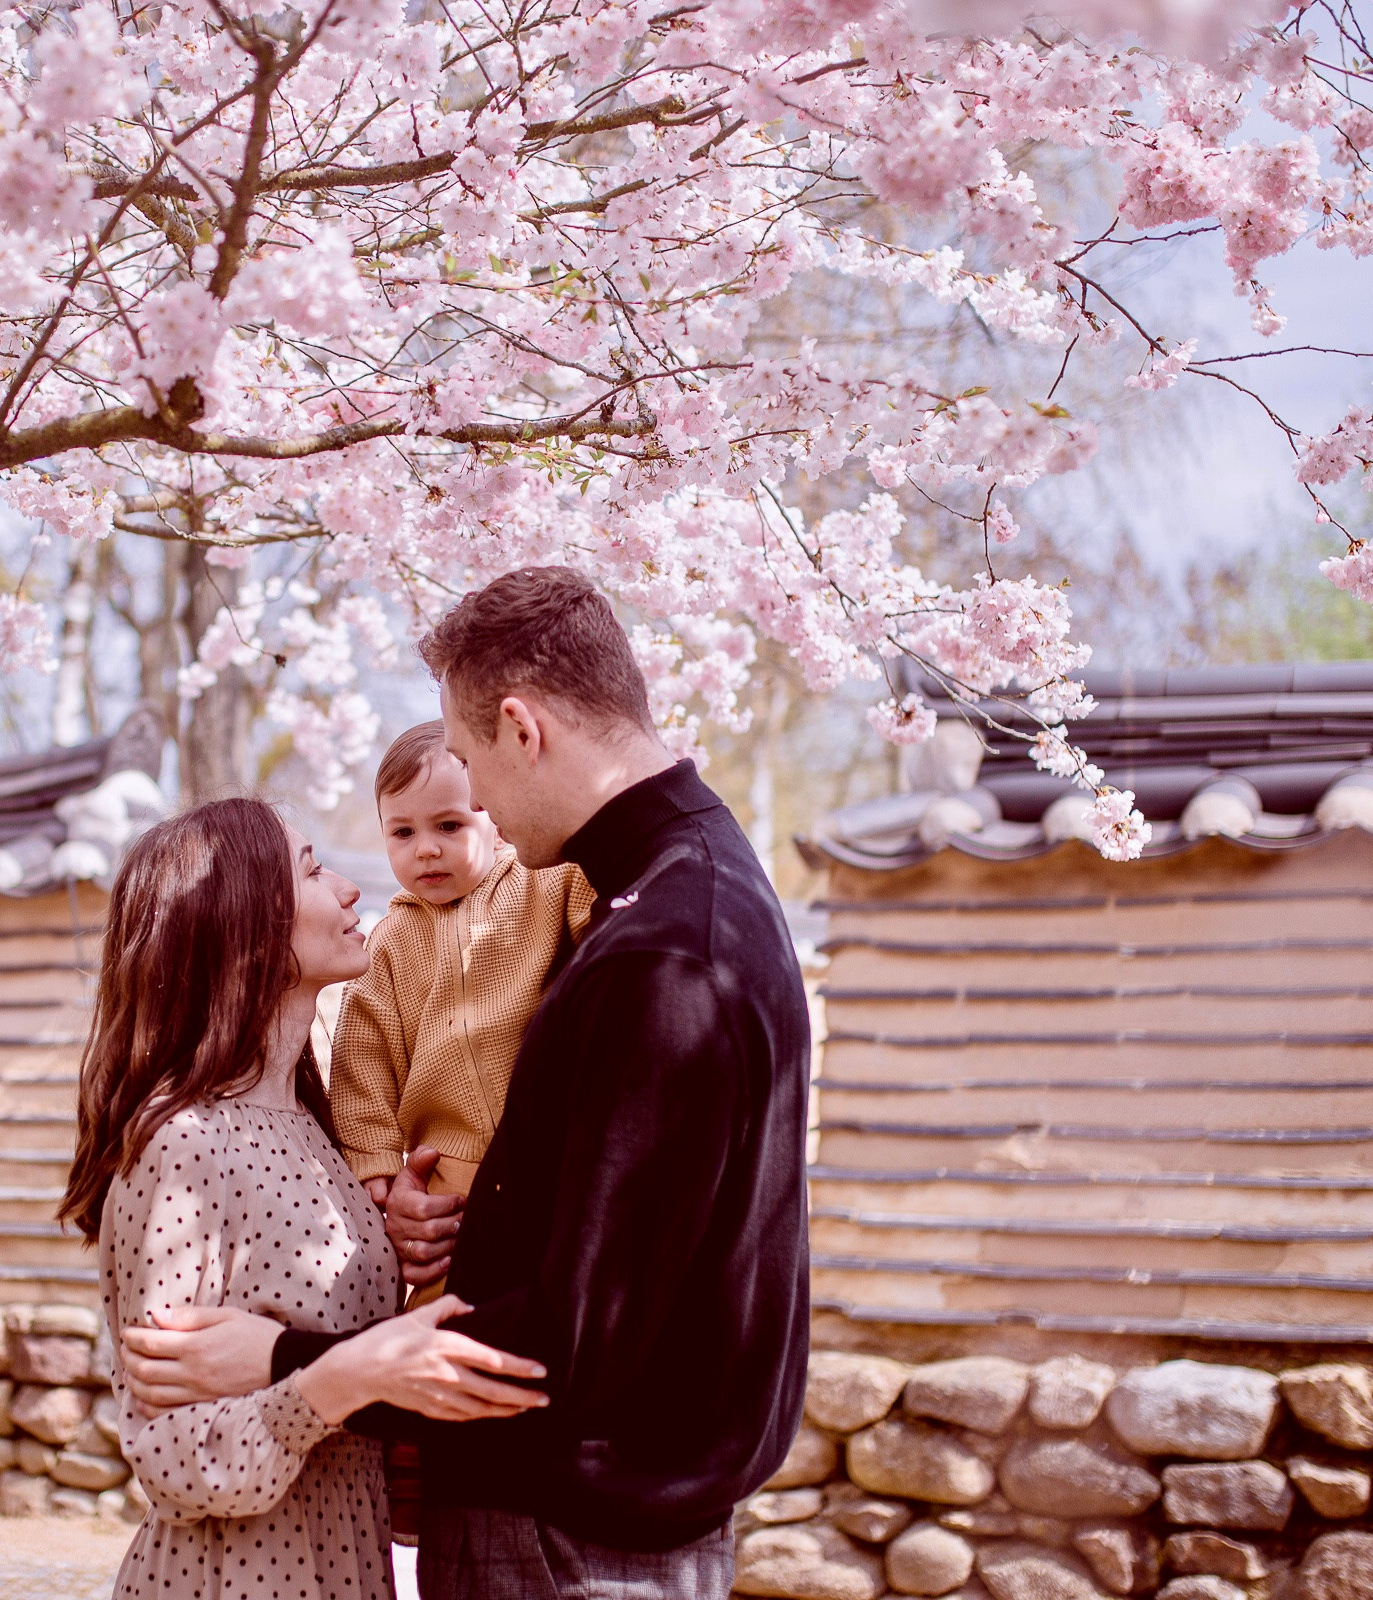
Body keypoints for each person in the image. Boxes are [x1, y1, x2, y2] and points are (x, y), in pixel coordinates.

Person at [122, 568, 813, 1600]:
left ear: (521, 728)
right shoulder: (661, 905)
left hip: (566, 1536)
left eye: (468, 756)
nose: (470, 800)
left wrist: (289, 1365)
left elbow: (563, 1346)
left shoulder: (666, 955)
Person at [60, 798, 549, 1600]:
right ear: (246, 922)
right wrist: (335, 1382)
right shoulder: (181, 1146)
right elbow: (172, 1458)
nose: (352, 889)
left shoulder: (317, 1129)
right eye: (313, 867)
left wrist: (405, 1239)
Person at [332, 718, 594, 1300]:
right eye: (402, 833)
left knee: (557, 1295)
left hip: (553, 1150)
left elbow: (610, 938)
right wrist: (377, 1167)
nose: (426, 848)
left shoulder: (547, 882)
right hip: (449, 1173)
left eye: (449, 825)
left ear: (493, 818)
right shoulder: (392, 938)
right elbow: (364, 1056)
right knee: (449, 1302)